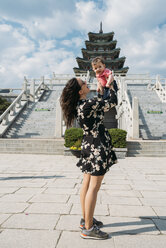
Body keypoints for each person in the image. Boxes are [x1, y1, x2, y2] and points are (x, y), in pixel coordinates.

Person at [60, 77, 117, 240]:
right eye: (83, 83)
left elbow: (98, 107)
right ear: (80, 91)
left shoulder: (80, 105)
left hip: (88, 144)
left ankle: (86, 219)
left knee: (86, 183)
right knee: (94, 187)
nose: (86, 82)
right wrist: (110, 85)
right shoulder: (88, 103)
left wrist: (101, 93)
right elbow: (112, 101)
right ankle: (88, 228)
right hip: (98, 145)